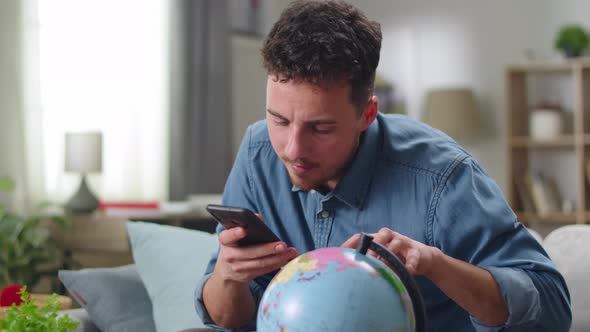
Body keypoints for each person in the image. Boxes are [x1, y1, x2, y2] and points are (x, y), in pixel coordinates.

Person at [195, 0, 572, 331]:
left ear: (367, 113)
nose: (293, 148)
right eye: (278, 120)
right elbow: (228, 320)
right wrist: (229, 276)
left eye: (321, 127)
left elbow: (552, 308)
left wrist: (434, 264)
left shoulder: (442, 176)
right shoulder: (258, 153)